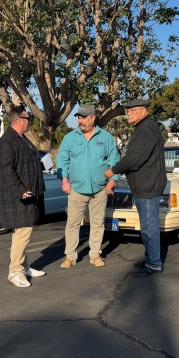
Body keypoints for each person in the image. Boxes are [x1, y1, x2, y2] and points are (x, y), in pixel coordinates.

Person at [104, 99, 166, 277]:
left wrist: (112, 170)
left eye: (131, 111)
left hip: (147, 186)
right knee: (147, 227)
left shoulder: (146, 130)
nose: (128, 114)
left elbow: (133, 159)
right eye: (127, 111)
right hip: (145, 185)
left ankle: (154, 264)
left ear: (143, 112)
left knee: (148, 228)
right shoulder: (145, 128)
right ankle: (151, 260)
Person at [56, 104, 120, 269]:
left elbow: (115, 162)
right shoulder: (70, 138)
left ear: (93, 118)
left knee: (97, 223)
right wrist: (64, 180)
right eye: (79, 117)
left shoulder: (105, 137)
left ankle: (95, 254)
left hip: (99, 189)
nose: (80, 120)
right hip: (76, 188)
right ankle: (69, 256)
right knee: (72, 224)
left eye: (84, 117)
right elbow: (62, 160)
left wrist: (112, 182)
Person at [0, 105, 47, 288]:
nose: (29, 122)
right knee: (22, 233)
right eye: (27, 118)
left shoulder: (22, 139)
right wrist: (20, 190)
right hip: (18, 196)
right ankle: (15, 270)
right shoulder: (6, 142)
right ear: (19, 120)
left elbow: (26, 163)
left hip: (30, 192)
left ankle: (24, 266)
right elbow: (6, 170)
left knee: (25, 231)